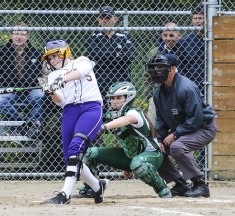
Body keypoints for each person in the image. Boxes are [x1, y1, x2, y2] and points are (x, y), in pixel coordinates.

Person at [41, 39, 108, 205]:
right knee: (70, 157)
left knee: (76, 146)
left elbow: (81, 72)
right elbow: (61, 101)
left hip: (91, 107)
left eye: (56, 55)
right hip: (70, 110)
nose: (53, 60)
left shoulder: (81, 61)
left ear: (66, 53)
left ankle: (64, 194)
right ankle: (97, 186)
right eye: (50, 58)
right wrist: (51, 91)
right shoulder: (52, 75)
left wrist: (62, 79)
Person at [78, 81, 172, 199]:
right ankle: (92, 188)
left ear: (128, 98)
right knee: (90, 153)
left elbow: (127, 120)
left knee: (138, 164)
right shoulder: (112, 115)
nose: (114, 101)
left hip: (152, 155)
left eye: (119, 98)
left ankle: (163, 189)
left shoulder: (133, 112)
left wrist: (104, 127)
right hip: (130, 156)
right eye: (112, 98)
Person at [147, 53, 217, 197]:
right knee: (156, 149)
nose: (156, 71)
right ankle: (180, 183)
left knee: (177, 146)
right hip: (185, 130)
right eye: (155, 67)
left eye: (161, 67)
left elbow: (196, 119)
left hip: (204, 128)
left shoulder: (186, 88)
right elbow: (161, 120)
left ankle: (200, 185)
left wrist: (175, 134)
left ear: (172, 69)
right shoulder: (158, 92)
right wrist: (160, 139)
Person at [0, 22, 47, 137]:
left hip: (31, 90)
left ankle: (24, 126)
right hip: (9, 90)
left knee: (43, 97)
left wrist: (37, 83)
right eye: (15, 33)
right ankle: (24, 127)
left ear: (28, 36)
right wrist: (0, 81)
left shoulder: (38, 53)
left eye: (22, 33)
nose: (18, 37)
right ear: (11, 35)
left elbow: (47, 75)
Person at [85, 6, 134, 114]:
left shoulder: (124, 36)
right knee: (100, 111)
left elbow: (128, 58)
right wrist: (116, 54)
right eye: (103, 17)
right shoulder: (93, 37)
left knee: (123, 111)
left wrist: (103, 55)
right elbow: (93, 56)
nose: (105, 20)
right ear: (99, 20)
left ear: (115, 19)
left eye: (108, 17)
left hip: (121, 78)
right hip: (100, 81)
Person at [181, 6, 206, 94]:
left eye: (200, 18)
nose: (197, 21)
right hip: (193, 84)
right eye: (194, 18)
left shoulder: (212, 38)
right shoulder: (185, 41)